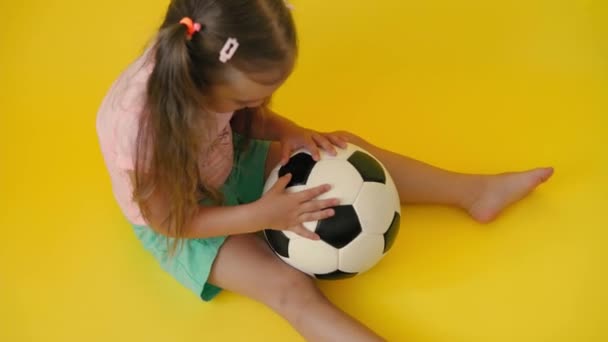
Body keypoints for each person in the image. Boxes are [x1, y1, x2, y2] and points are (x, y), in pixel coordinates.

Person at [95, 0, 554, 340]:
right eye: (247, 99)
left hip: (222, 156)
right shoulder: (143, 132)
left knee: (343, 148)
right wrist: (261, 216)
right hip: (185, 216)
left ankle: (474, 193)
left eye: (264, 96)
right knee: (290, 288)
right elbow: (167, 220)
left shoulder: (215, 68)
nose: (258, 105)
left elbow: (243, 120)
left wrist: (289, 130)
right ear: (202, 84)